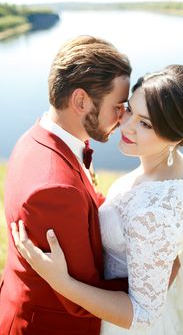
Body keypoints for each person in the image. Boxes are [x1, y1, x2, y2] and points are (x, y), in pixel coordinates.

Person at [12, 64, 183, 334]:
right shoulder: (171, 167)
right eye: (129, 109)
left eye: (146, 123)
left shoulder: (157, 210)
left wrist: (62, 282)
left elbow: (144, 314)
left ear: (177, 136)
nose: (126, 125)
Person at [0, 35, 133, 335]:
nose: (124, 116)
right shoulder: (54, 190)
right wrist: (156, 276)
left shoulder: (38, 136)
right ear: (81, 100)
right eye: (118, 105)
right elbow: (81, 297)